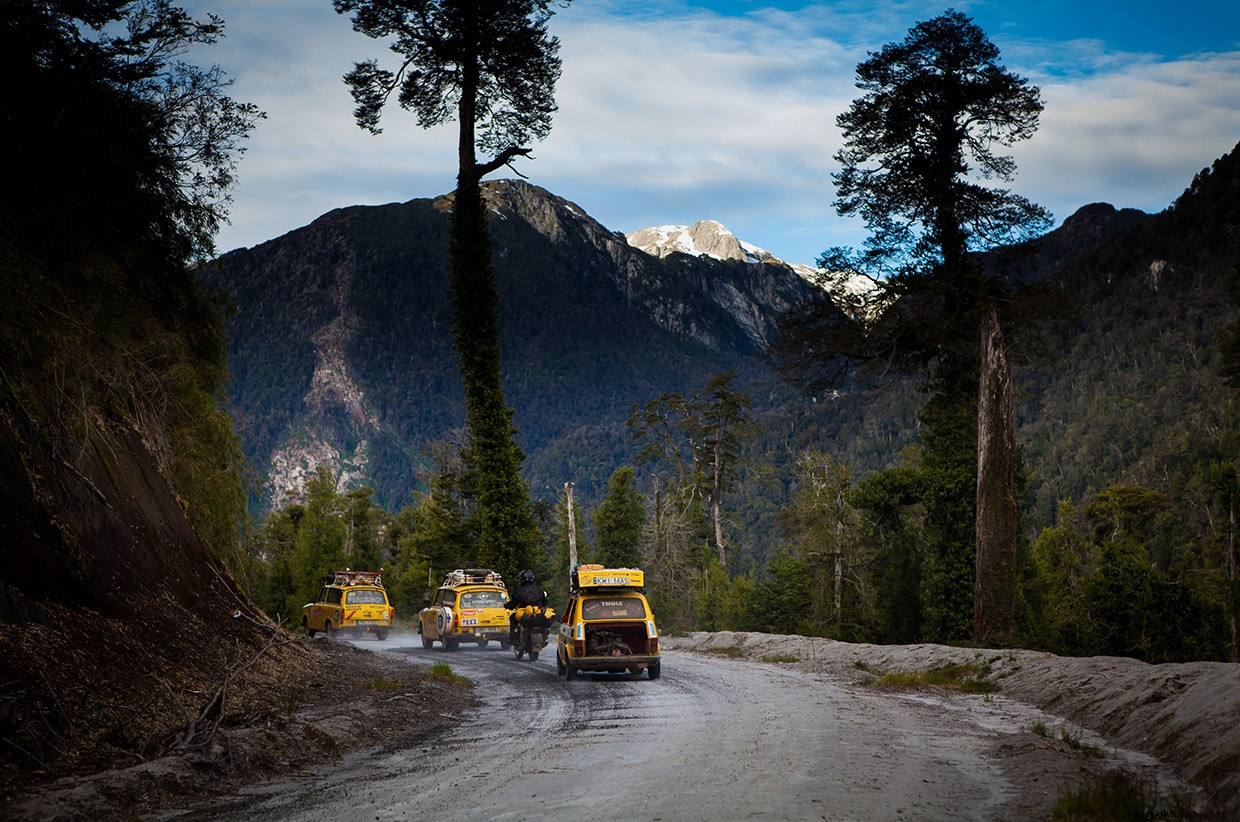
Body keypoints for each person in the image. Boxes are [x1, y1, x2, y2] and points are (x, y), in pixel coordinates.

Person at [506, 569, 547, 646]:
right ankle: (543, 636)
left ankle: (514, 639)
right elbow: (545, 602)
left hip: (524, 613)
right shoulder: (539, 589)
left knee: (512, 618)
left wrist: (507, 606)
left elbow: (513, 603)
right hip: (537, 612)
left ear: (521, 579)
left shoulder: (519, 590)